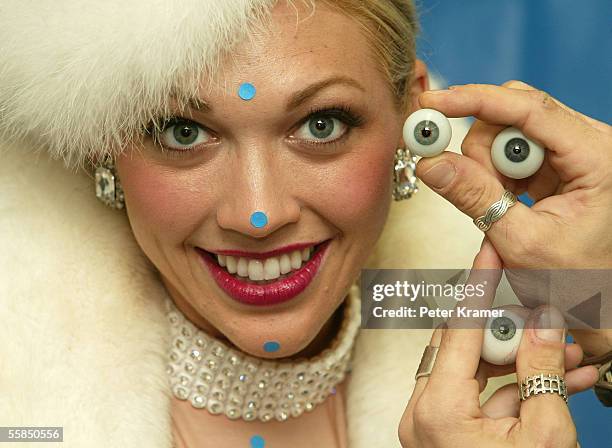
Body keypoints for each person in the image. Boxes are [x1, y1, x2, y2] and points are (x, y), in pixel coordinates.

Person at [0, 1, 610, 447]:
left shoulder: (432, 301)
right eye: (183, 132)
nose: (257, 215)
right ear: (101, 152)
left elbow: (587, 310)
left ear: (414, 117)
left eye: (322, 125)